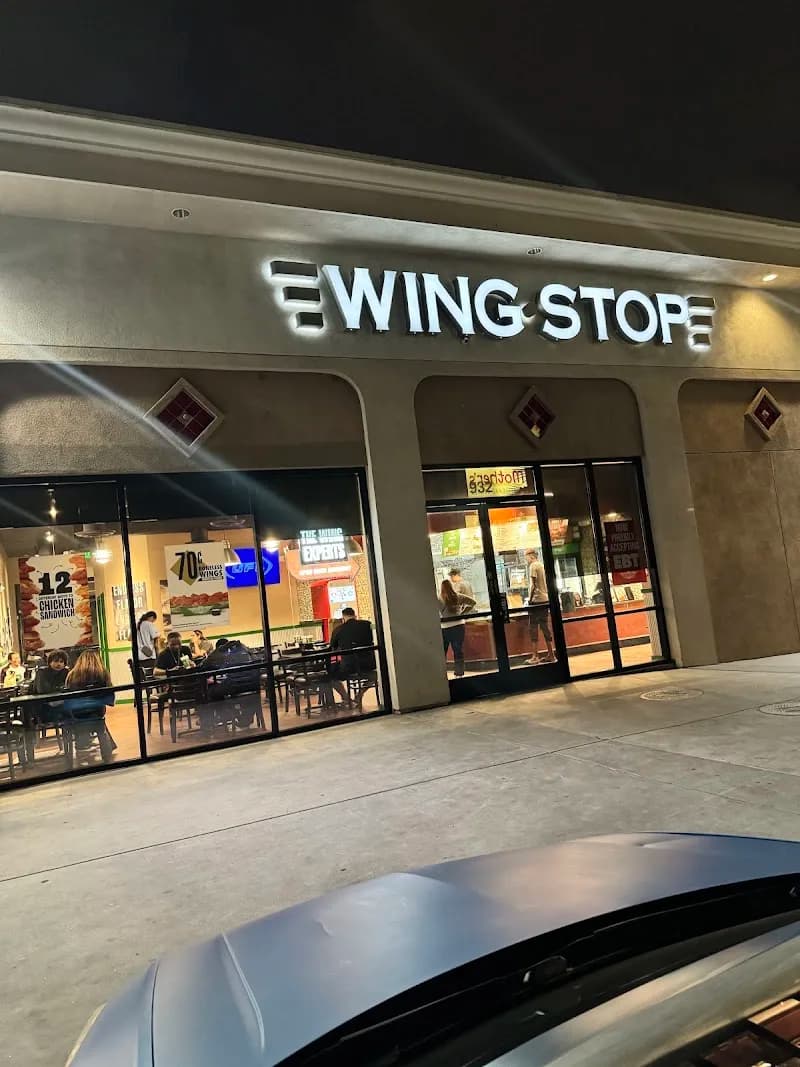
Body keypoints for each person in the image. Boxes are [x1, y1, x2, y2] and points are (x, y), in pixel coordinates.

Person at [63, 650, 116, 761]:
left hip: (76, 714)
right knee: (99, 723)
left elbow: (67, 695)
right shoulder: (102, 673)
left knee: (90, 718)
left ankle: (82, 742)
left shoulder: (72, 674)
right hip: (97, 712)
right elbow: (110, 695)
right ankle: (108, 752)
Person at [327, 608, 376, 707]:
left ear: (343, 617)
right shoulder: (367, 624)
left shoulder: (338, 630)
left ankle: (346, 698)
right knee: (374, 676)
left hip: (348, 667)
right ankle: (359, 695)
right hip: (368, 664)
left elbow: (333, 648)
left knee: (331, 676)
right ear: (354, 615)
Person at [438, 579, 476, 678]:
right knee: (458, 650)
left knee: (443, 651)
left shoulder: (439, 599)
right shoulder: (458, 596)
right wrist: (463, 612)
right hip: (459, 626)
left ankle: (441, 674)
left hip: (445, 627)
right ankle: (459, 674)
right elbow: (473, 602)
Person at [525, 548, 555, 664]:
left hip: (536, 601)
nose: (525, 559)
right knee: (544, 627)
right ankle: (551, 654)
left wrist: (530, 600)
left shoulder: (533, 566)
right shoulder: (541, 565)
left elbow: (533, 585)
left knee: (533, 627)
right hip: (544, 599)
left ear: (531, 556)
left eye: (526, 556)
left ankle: (535, 656)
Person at [31, 648, 70, 723]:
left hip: (60, 704)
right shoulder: (41, 673)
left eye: (61, 662)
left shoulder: (66, 672)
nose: (58, 664)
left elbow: (69, 688)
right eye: (55, 661)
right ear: (49, 662)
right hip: (42, 706)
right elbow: (42, 691)